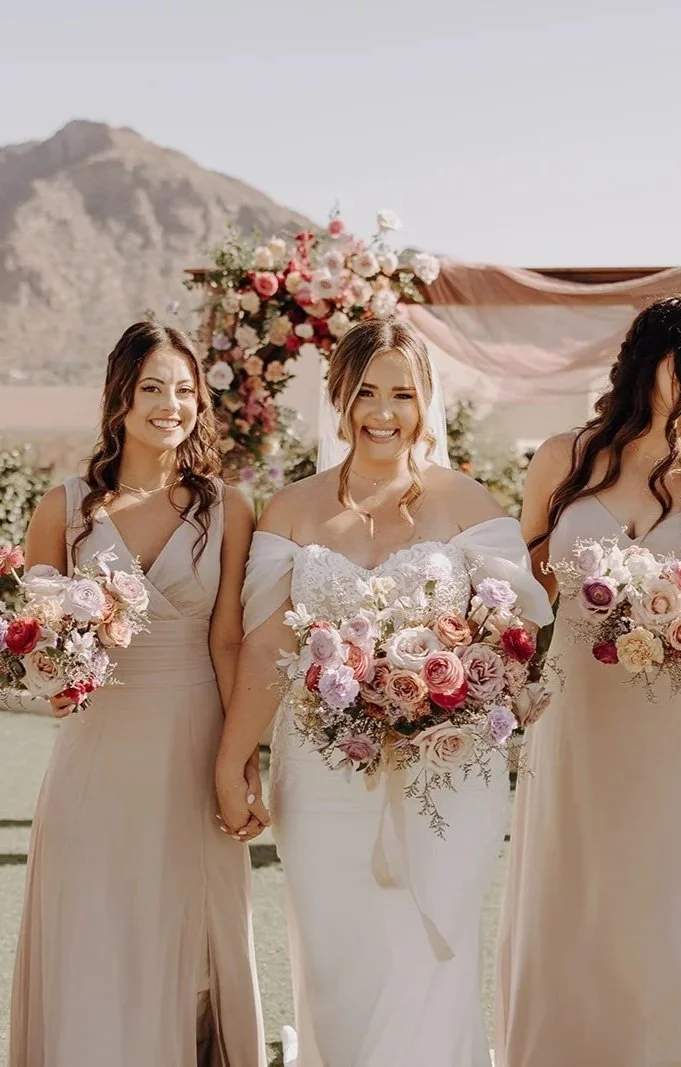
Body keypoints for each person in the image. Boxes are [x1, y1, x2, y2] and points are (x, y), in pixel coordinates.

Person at [214, 318, 552, 1067]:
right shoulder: (292, 509)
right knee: (337, 955)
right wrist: (231, 761)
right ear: (339, 396)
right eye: (366, 391)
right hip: (321, 771)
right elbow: (267, 645)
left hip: (447, 771)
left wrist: (458, 687)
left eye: (403, 392)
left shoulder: (468, 501)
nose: (384, 410)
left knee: (433, 955)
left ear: (426, 400)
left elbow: (515, 630)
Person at [495, 295, 681, 1067]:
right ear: (648, 357)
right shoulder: (563, 458)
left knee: (677, 927)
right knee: (578, 912)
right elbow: (524, 586)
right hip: (580, 724)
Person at [9, 321, 265, 1067]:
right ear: (119, 397)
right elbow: (34, 633)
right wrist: (53, 678)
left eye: (184, 390)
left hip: (192, 739)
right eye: (153, 387)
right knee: (95, 920)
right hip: (97, 748)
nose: (170, 404)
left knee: (189, 934)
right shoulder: (64, 507)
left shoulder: (228, 507)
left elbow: (227, 640)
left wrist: (239, 758)